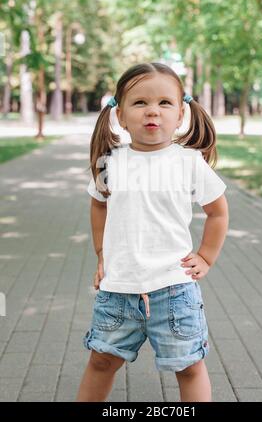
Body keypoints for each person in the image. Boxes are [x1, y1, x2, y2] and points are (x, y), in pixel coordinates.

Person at [76, 62, 229, 402]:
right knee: (101, 361)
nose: (152, 112)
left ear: (181, 112)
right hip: (118, 289)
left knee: (189, 366)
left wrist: (206, 256)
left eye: (164, 103)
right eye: (140, 102)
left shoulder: (189, 162)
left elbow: (217, 212)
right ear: (120, 114)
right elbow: (99, 204)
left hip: (174, 291)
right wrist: (102, 254)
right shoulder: (109, 163)